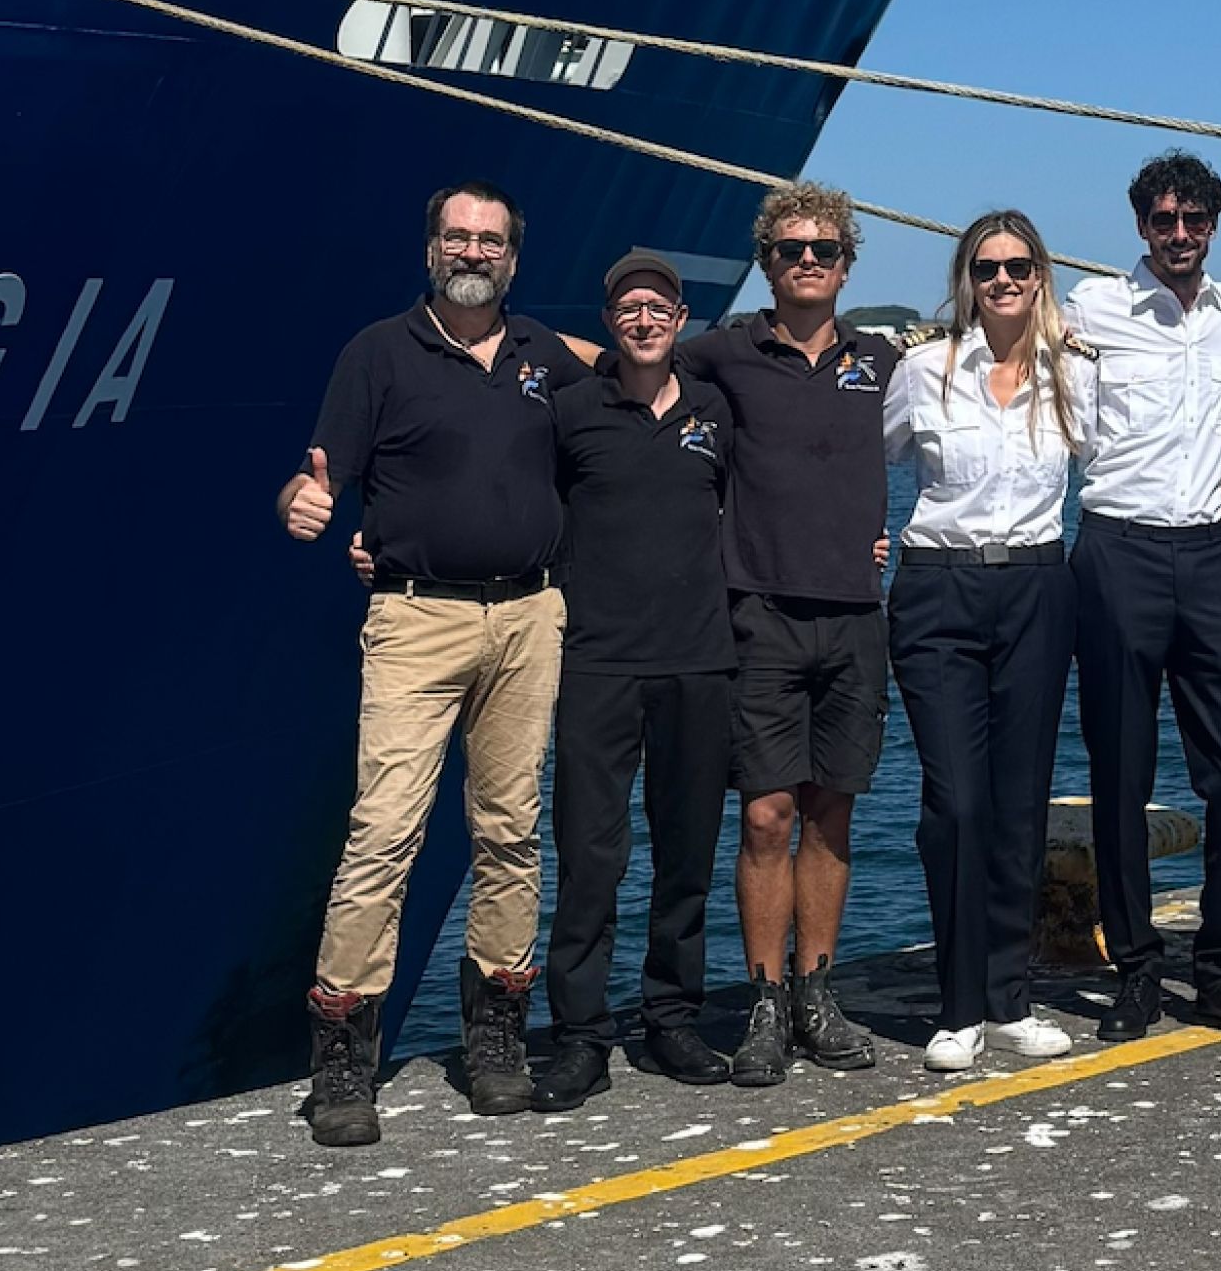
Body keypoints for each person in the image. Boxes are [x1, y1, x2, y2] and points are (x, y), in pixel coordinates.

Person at [279, 182, 589, 1140]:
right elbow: (316, 474)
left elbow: (628, 391)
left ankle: (496, 1036)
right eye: (458, 237)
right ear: (429, 250)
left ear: (513, 259)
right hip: (417, 620)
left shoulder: (542, 354)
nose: (473, 252)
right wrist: (301, 505)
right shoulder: (378, 353)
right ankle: (343, 1054)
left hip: (530, 616)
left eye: (490, 241)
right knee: (383, 831)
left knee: (510, 832)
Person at [676, 185, 898, 1087]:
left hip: (854, 614)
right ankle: (764, 1004)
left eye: (825, 249)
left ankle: (817, 994)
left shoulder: (881, 360)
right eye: (792, 249)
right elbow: (625, 361)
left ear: (847, 264)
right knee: (767, 815)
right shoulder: (724, 353)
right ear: (767, 263)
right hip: (759, 613)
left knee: (831, 814)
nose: (809, 260)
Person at [1067, 152, 1221, 1042]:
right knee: (1121, 772)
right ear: (1141, 226)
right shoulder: (1091, 309)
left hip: (1210, 554)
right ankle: (1136, 971)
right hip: (1117, 550)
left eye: (1195, 220)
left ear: (1214, 226)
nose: (1180, 234)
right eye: (1164, 220)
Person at [881, 211, 1097, 1072]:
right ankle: (958, 1004)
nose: (1002, 280)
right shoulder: (921, 371)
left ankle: (1010, 999)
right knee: (957, 804)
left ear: (1040, 275)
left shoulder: (1074, 375)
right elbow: (857, 461)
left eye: (1017, 266)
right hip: (939, 590)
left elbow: (1125, 458)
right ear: (965, 280)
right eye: (986, 268)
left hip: (1038, 588)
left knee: (1019, 802)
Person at [528, 253, 741, 1110]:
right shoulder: (573, 411)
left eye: (658, 307)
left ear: (681, 319)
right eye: (629, 309)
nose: (644, 320)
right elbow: (519, 500)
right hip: (597, 662)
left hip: (699, 658)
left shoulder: (714, 410)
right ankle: (581, 1035)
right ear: (610, 322)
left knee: (687, 853)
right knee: (589, 857)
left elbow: (762, 504)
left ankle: (672, 1018)